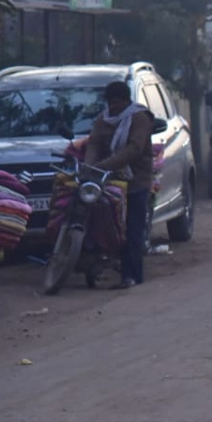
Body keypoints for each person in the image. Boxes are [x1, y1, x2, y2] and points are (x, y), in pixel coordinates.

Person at [85, 81, 155, 290]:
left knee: (132, 228)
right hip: (106, 179)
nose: (112, 107)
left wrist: (102, 165)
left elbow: (134, 149)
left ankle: (131, 275)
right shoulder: (103, 119)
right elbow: (94, 144)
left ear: (126, 101)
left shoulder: (139, 118)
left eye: (116, 103)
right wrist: (89, 167)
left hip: (135, 181)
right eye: (109, 103)